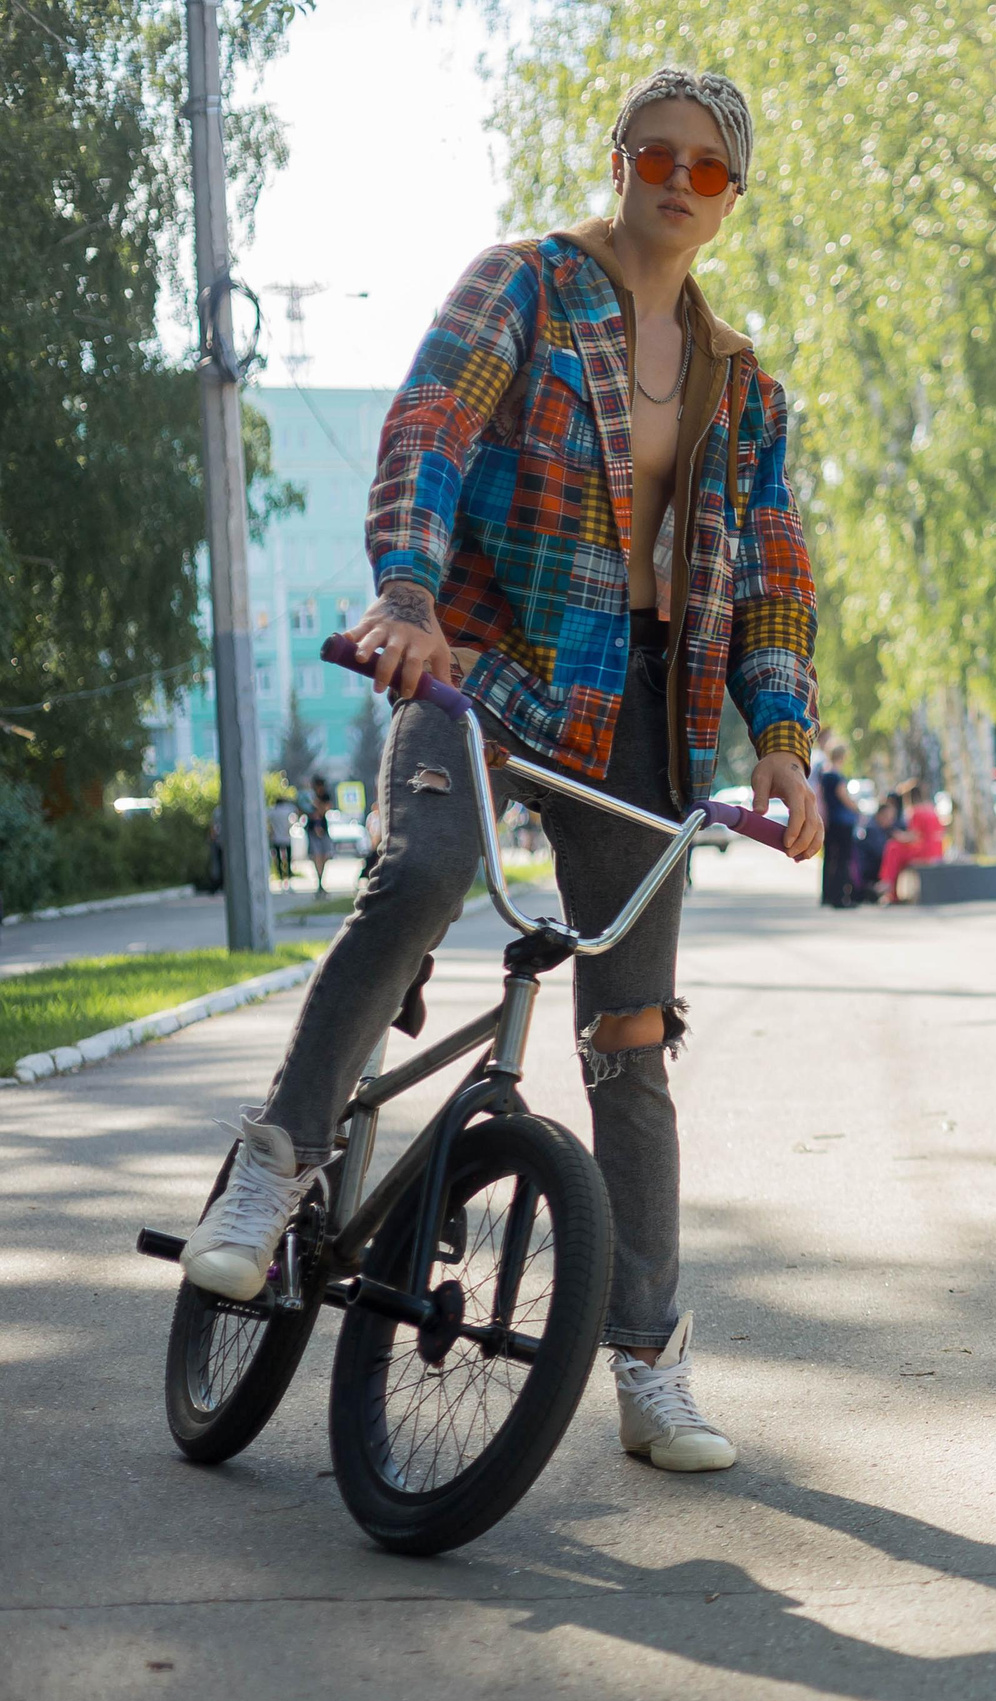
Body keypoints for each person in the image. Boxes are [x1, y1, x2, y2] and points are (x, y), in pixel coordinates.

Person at [178, 67, 824, 1476]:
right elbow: (430, 429)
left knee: (633, 1038)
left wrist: (782, 734)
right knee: (416, 876)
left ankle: (648, 1360)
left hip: (649, 713)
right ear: (617, 160)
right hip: (483, 665)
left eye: (707, 166)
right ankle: (276, 1163)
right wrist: (405, 592)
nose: (675, 177)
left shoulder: (739, 378)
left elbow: (772, 563)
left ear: (732, 195)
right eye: (654, 151)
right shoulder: (523, 286)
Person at [877, 780, 944, 902]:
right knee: (898, 853)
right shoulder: (931, 809)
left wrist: (898, 835)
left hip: (924, 852)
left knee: (893, 847)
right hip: (937, 851)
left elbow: (914, 837)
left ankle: (887, 884)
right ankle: (891, 889)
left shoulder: (916, 812)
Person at [816, 739, 860, 908]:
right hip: (842, 821)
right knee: (843, 859)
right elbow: (844, 797)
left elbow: (821, 799)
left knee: (829, 859)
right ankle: (840, 897)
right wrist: (857, 808)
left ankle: (827, 894)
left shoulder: (824, 774)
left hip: (830, 821)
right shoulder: (836, 776)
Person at [304, 773, 333, 894]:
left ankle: (322, 877)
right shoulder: (308, 796)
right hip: (312, 829)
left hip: (324, 828)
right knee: (316, 855)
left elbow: (325, 810)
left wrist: (317, 804)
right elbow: (304, 811)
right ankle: (319, 880)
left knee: (325, 855)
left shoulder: (325, 796)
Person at [266, 794, 298, 883]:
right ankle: (288, 876)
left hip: (276, 838)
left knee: (278, 859)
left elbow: (268, 823)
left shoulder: (272, 811)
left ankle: (281, 876)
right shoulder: (287, 810)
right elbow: (293, 820)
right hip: (286, 837)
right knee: (287, 858)